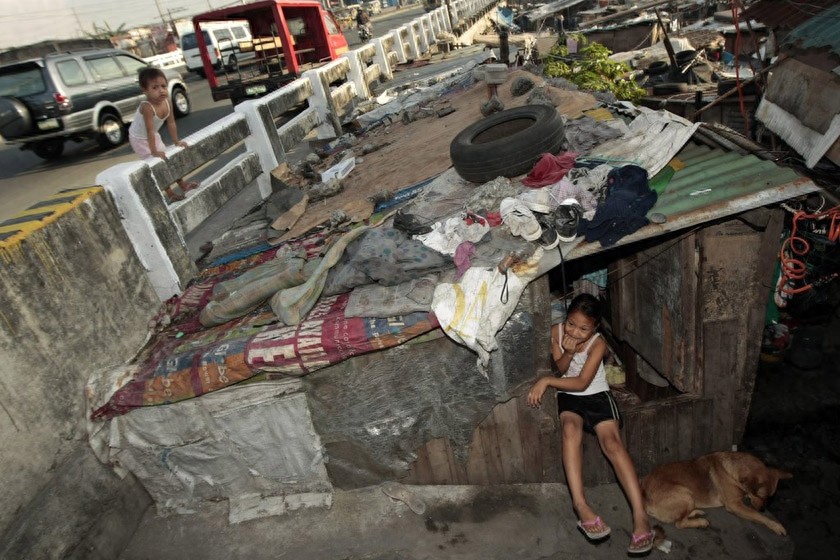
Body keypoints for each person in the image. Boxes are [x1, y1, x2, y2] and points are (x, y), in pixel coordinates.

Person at [526, 293, 654, 555]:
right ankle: (581, 505)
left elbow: (583, 382)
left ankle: (641, 516)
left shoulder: (599, 344)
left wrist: (546, 381)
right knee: (570, 430)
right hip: (569, 396)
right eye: (571, 323)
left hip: (595, 394)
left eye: (584, 328)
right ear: (566, 317)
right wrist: (568, 352)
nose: (575, 331)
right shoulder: (556, 332)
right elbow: (561, 369)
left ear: (594, 328)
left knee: (613, 445)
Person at [128, 67, 197, 202]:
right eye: (155, 88)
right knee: (158, 163)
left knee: (168, 159)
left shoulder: (167, 102)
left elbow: (171, 123)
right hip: (140, 139)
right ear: (145, 90)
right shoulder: (147, 107)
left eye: (163, 86)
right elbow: (148, 131)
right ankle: (170, 194)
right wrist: (153, 152)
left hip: (152, 135)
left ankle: (184, 185)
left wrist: (176, 141)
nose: (161, 90)